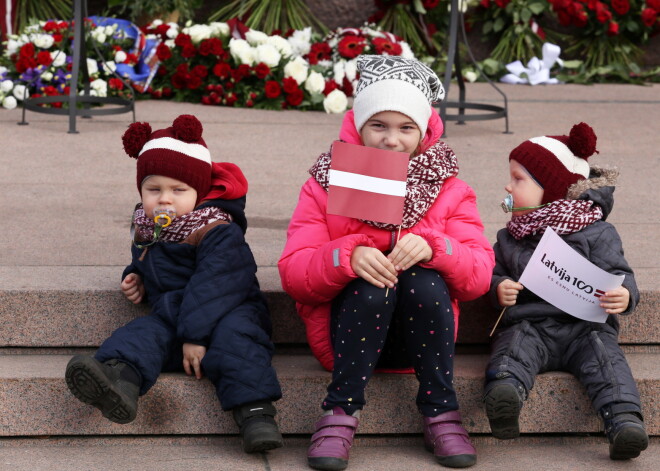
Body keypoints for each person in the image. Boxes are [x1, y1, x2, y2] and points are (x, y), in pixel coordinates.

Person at [278, 55, 495, 470]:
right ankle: (340, 412)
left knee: (423, 279)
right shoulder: (324, 183)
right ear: (359, 126)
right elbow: (295, 272)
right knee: (374, 282)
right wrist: (347, 255)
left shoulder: (451, 188)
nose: (391, 140)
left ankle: (441, 410)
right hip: (349, 333)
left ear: (424, 129)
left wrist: (436, 247)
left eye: (405, 127)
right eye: (378, 125)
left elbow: (479, 276)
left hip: (423, 336)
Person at [65, 114, 283, 453]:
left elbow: (217, 283)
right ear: (141, 191)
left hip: (230, 308)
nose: (164, 199)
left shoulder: (216, 228)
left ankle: (256, 415)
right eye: (154, 190)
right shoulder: (148, 227)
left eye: (178, 190)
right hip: (179, 311)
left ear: (199, 192)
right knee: (145, 334)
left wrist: (194, 337)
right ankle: (119, 380)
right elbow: (149, 261)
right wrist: (135, 275)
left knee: (237, 343)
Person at [483, 122, 649, 460]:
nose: (507, 185)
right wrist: (499, 287)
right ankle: (504, 395)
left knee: (606, 362)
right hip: (531, 324)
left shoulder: (597, 232)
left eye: (518, 179)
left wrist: (625, 295)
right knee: (512, 348)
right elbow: (493, 272)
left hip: (585, 327)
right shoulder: (510, 234)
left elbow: (621, 273)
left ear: (554, 187)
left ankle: (623, 420)